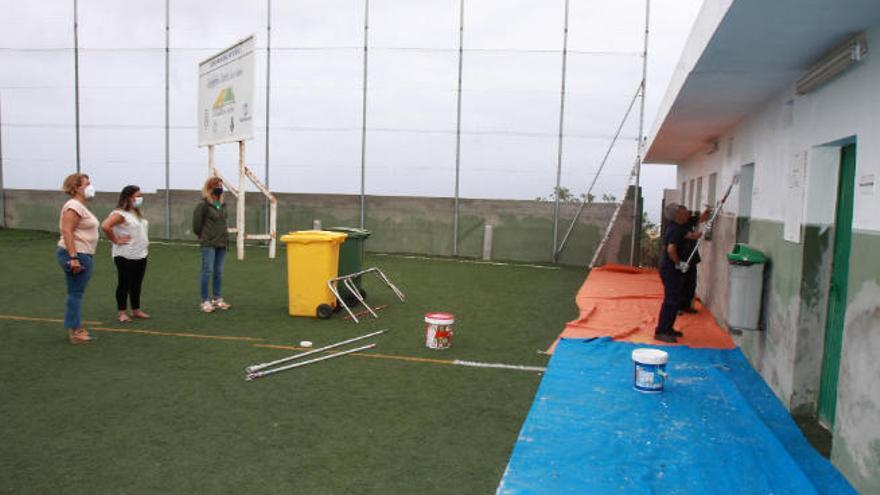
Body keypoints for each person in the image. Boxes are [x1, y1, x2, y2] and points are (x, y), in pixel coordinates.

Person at [57, 173, 99, 344]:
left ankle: (76, 328)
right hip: (76, 254)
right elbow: (67, 231)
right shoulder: (73, 205)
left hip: (84, 253)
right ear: (76, 188)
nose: (90, 186)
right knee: (75, 293)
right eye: (86, 183)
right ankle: (75, 331)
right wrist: (73, 257)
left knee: (76, 292)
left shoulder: (80, 206)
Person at [101, 185, 151, 323]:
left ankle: (136, 310)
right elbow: (105, 226)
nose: (140, 198)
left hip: (140, 254)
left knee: (136, 283)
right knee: (124, 283)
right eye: (138, 195)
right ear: (129, 197)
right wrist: (116, 240)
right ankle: (121, 312)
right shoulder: (120, 214)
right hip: (125, 255)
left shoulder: (136, 213)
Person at [655, 203, 698, 343]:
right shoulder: (675, 229)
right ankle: (661, 331)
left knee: (675, 300)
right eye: (682, 210)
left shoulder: (680, 227)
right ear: (677, 214)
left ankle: (668, 328)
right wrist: (679, 264)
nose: (686, 212)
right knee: (671, 300)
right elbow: (671, 250)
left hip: (674, 269)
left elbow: (689, 235)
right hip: (671, 270)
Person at [193, 177, 232, 313]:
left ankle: (217, 298)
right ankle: (204, 301)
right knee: (207, 271)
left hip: (222, 242)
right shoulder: (203, 205)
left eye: (221, 184)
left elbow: (223, 222)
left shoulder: (222, 204)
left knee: (219, 272)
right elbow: (197, 224)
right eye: (216, 185)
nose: (219, 187)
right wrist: (202, 235)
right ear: (209, 187)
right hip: (209, 243)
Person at [680, 206, 712, 314]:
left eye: (687, 213)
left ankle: (687, 306)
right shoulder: (678, 226)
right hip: (682, 259)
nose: (688, 215)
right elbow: (692, 236)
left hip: (691, 258)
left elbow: (701, 218)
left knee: (691, 283)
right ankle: (677, 307)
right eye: (685, 214)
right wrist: (704, 233)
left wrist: (707, 212)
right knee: (681, 283)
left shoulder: (689, 220)